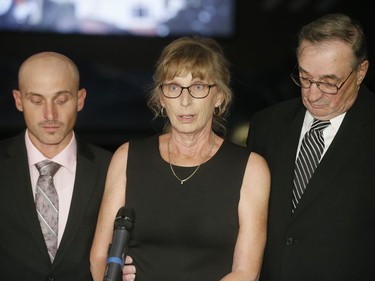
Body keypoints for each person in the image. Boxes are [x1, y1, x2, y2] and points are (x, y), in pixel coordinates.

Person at [90, 36, 270, 281]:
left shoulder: (251, 169)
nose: (185, 101)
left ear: (219, 97)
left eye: (198, 87)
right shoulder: (127, 157)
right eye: (174, 87)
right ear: (162, 99)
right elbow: (100, 256)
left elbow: (246, 272)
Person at [247, 13, 375, 280]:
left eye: (329, 82)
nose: (313, 94)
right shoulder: (266, 125)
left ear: (360, 72)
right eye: (305, 78)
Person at [0, 51, 113, 280]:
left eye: (61, 100)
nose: (50, 114)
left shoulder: (112, 168)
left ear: (80, 99)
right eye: (37, 100)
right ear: (18, 100)